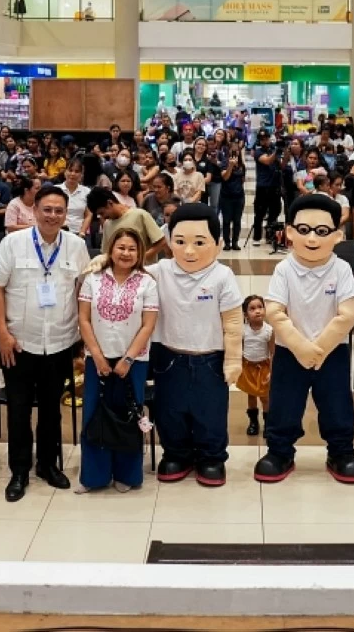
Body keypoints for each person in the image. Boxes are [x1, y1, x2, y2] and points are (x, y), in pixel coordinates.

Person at [0, 186, 89, 498]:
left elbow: (84, 290)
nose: (53, 216)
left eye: (59, 210)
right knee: (18, 410)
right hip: (17, 343)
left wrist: (82, 339)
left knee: (51, 410)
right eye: (47, 209)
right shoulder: (13, 243)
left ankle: (47, 464)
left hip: (60, 342)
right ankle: (19, 470)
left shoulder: (76, 246)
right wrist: (2, 332)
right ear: (35, 211)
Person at [256, 195, 354, 483]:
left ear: (337, 236)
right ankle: (279, 451)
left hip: (333, 351)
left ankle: (341, 451)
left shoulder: (340, 269)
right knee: (284, 403)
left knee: (337, 403)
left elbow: (348, 314)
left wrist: (318, 349)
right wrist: (300, 346)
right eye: (304, 230)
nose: (312, 238)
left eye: (322, 231)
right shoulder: (284, 269)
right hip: (291, 352)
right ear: (290, 232)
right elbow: (274, 312)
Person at [145, 204, 242, 485]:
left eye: (199, 243)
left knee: (209, 412)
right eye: (180, 242)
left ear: (218, 244)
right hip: (168, 355)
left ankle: (211, 457)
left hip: (209, 358)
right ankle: (176, 453)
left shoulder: (222, 276)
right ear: (169, 240)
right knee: (170, 411)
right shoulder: (161, 270)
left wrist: (234, 360)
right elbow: (130, 272)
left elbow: (233, 323)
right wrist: (103, 263)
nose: (189, 251)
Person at [76, 228, 158, 493]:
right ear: (111, 249)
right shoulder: (94, 279)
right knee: (93, 416)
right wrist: (98, 357)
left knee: (128, 416)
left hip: (133, 361)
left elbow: (148, 325)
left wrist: (128, 359)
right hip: (97, 358)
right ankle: (94, 477)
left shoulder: (148, 282)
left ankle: (128, 475)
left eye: (132, 249)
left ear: (140, 253)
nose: (126, 253)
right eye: (121, 247)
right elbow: (84, 319)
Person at [87, 187, 166, 261]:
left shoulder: (140, 215)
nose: (103, 217)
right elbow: (106, 253)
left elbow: (161, 242)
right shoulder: (107, 225)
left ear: (110, 203)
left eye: (102, 213)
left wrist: (141, 259)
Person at [238, 295, 273, 437]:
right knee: (251, 395)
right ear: (246, 314)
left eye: (260, 307)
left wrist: (272, 371)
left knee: (265, 397)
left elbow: (272, 352)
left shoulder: (269, 331)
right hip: (247, 367)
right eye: (252, 309)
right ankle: (253, 422)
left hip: (263, 367)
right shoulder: (243, 330)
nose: (257, 311)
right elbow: (239, 350)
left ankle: (268, 424)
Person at [252, 129, 283, 246]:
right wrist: (276, 152)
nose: (264, 141)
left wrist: (286, 153)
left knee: (274, 212)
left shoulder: (273, 149)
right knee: (260, 213)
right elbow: (267, 161)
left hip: (275, 185)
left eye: (266, 139)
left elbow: (282, 165)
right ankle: (257, 237)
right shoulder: (258, 152)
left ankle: (270, 236)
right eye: (262, 139)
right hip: (263, 186)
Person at [219, 139, 247, 250]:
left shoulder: (242, 165)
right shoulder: (224, 163)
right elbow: (225, 177)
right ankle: (227, 242)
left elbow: (243, 180)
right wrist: (230, 166)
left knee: (237, 221)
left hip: (239, 196)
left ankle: (235, 242)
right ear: (228, 151)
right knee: (226, 221)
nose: (235, 153)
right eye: (232, 150)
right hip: (226, 196)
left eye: (237, 151)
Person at [58, 156, 92, 235]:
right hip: (59, 231)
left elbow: (88, 215)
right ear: (65, 172)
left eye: (77, 171)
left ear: (81, 174)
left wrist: (82, 232)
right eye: (70, 170)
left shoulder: (87, 191)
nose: (73, 174)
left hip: (80, 232)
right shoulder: (56, 190)